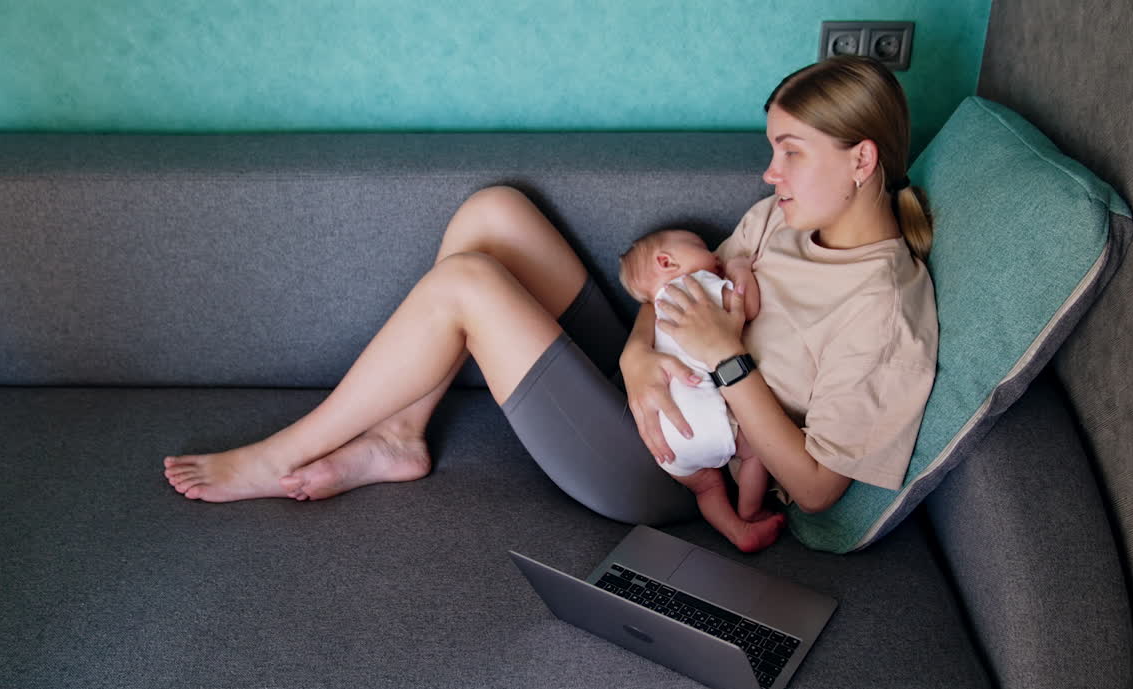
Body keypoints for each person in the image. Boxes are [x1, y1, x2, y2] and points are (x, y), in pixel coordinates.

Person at [163, 55, 937, 549]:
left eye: (789, 153)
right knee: (492, 214)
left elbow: (817, 488)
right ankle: (399, 435)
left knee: (466, 284)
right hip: (650, 385)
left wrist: (727, 359)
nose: (770, 174)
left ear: (861, 159)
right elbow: (681, 294)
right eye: (772, 152)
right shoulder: (782, 222)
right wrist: (637, 360)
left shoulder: (884, 311)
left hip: (669, 459)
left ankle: (281, 454)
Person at [618, 229, 784, 552]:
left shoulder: (655, 314)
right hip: (705, 420)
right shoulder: (694, 286)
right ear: (667, 262)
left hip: (665, 441)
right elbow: (746, 306)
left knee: (707, 489)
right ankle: (751, 510)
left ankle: (737, 532)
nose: (715, 256)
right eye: (702, 246)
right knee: (756, 452)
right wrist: (739, 271)